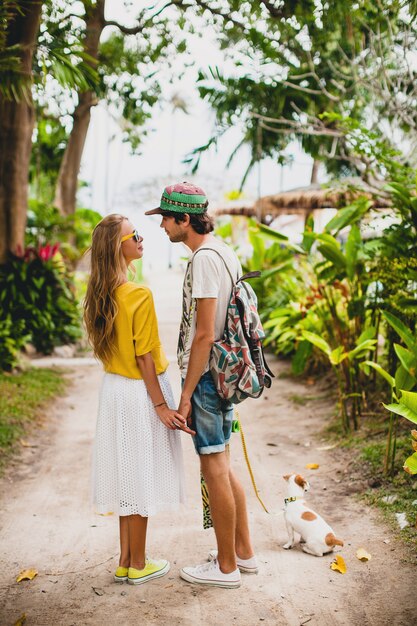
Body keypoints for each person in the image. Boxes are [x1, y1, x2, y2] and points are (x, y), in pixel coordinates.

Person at [145, 182, 258, 589]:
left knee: (213, 466)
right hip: (220, 375)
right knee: (222, 465)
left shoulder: (205, 260)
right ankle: (243, 555)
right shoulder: (221, 250)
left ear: (185, 219)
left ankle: (226, 568)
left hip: (210, 379)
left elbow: (204, 334)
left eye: (165, 219)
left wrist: (187, 393)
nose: (161, 227)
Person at [84, 214, 193, 586]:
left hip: (114, 391)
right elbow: (145, 355)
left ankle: (125, 560)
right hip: (138, 393)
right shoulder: (137, 293)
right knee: (140, 476)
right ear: (120, 247)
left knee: (126, 474)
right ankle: (140, 563)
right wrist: (161, 404)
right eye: (135, 235)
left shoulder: (100, 294)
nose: (142, 239)